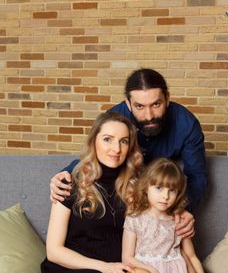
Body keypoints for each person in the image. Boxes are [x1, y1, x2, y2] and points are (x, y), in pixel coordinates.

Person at [38, 112, 154, 273]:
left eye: (123, 141)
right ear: (94, 142)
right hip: (70, 269)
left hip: (116, 268)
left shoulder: (137, 185)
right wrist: (105, 267)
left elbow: (162, 217)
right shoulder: (69, 182)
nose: (116, 149)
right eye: (108, 139)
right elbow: (54, 251)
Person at [50, 68, 207, 233]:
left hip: (159, 193)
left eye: (156, 104)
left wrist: (182, 209)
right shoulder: (115, 117)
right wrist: (65, 175)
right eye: (139, 106)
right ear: (128, 104)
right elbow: (97, 154)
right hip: (127, 188)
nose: (149, 116)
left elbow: (197, 176)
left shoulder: (187, 124)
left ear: (167, 99)